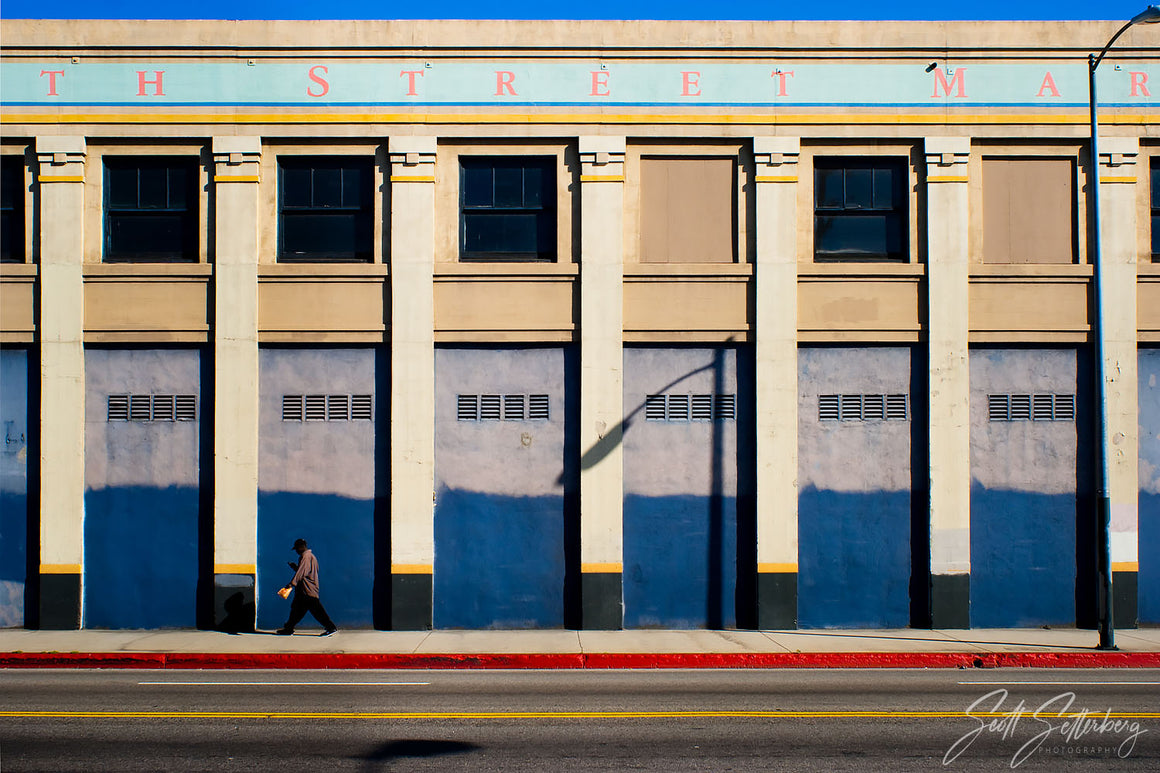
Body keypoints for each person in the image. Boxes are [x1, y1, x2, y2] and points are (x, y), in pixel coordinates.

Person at [276, 538, 338, 636]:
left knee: (316, 611)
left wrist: (291, 583)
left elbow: (302, 572)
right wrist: (295, 567)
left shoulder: (305, 557)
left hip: (307, 589)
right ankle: (288, 628)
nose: (296, 551)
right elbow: (305, 572)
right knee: (296, 610)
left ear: (301, 547)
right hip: (304, 590)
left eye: (296, 549)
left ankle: (331, 627)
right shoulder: (311, 556)